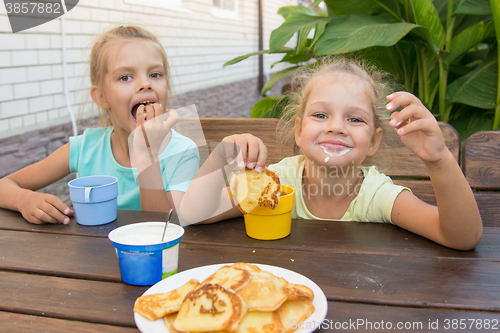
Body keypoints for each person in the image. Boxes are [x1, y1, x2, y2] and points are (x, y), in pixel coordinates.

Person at [180, 57, 482, 251]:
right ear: (298, 131)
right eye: (321, 115)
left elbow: (461, 237)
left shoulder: (375, 195)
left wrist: (439, 159)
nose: (337, 127)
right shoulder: (274, 185)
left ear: (374, 141)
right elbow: (193, 213)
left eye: (355, 119)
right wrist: (222, 156)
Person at [0, 26, 199, 225]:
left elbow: (165, 227)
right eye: (125, 77)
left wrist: (147, 154)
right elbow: (5, 185)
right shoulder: (86, 147)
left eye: (155, 74)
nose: (145, 84)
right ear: (102, 97)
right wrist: (24, 200)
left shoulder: (183, 152)